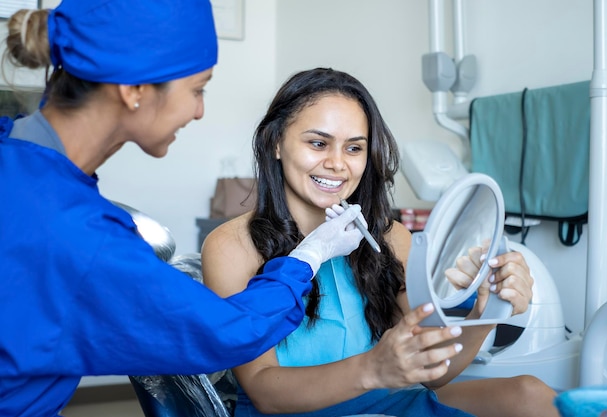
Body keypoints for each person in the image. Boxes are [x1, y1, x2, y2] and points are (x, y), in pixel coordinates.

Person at [0, 4, 366, 417]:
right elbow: (223, 332)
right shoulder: (76, 230)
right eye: (197, 89)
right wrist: (308, 256)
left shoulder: (20, 167)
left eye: (355, 147)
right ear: (134, 88)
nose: (199, 110)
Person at [201, 67, 560, 417]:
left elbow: (433, 373)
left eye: (354, 148)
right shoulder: (231, 246)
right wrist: (373, 368)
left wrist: (487, 312)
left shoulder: (390, 237)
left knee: (531, 395)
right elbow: (264, 391)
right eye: (317, 143)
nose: (337, 164)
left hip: (390, 402)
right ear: (276, 143)